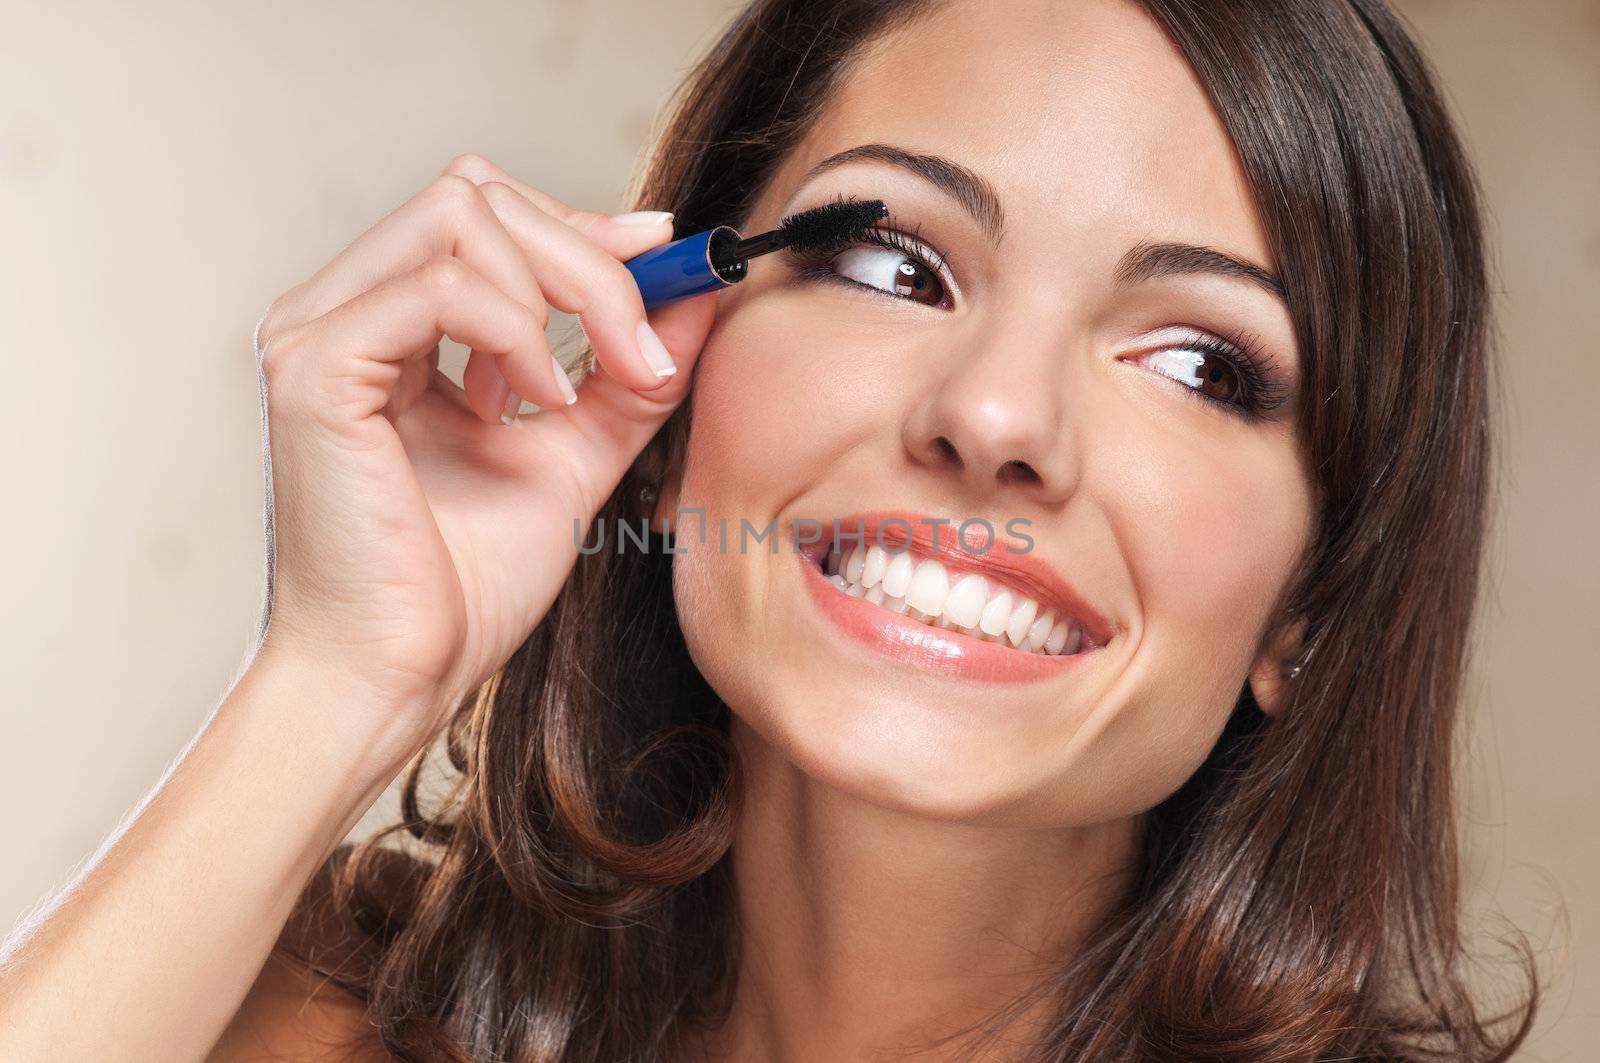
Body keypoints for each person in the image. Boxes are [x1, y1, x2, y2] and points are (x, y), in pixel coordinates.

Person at [0, 0, 1544, 1059]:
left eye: (1202, 364)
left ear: (1314, 603)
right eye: (892, 264)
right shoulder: (335, 1020)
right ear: (667, 369)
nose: (996, 418)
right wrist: (337, 677)